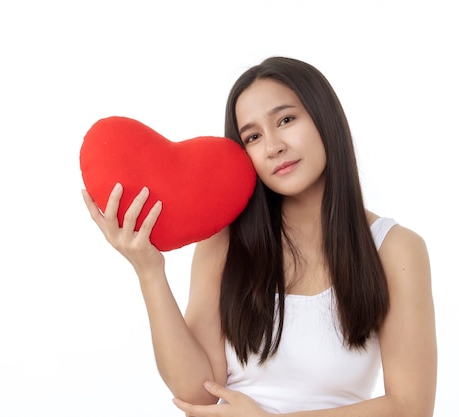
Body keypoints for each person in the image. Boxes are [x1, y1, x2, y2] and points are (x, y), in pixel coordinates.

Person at [82, 56, 437, 416]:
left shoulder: (395, 249)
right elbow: (198, 393)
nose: (273, 146)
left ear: (324, 117)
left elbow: (411, 407)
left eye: (285, 120)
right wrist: (149, 272)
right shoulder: (224, 241)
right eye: (253, 136)